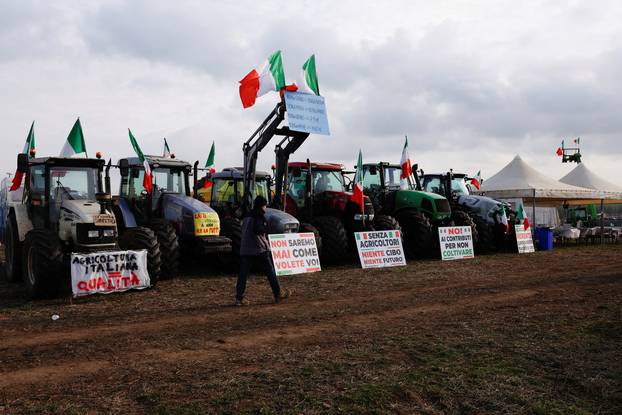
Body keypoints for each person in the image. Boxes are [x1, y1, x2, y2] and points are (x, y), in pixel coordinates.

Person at [235, 195, 290, 306]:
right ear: (262, 205)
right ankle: (278, 293)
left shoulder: (247, 215)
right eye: (265, 205)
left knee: (243, 274)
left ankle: (239, 298)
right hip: (259, 248)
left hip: (245, 248)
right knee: (270, 271)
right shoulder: (259, 216)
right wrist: (266, 229)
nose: (265, 208)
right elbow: (258, 230)